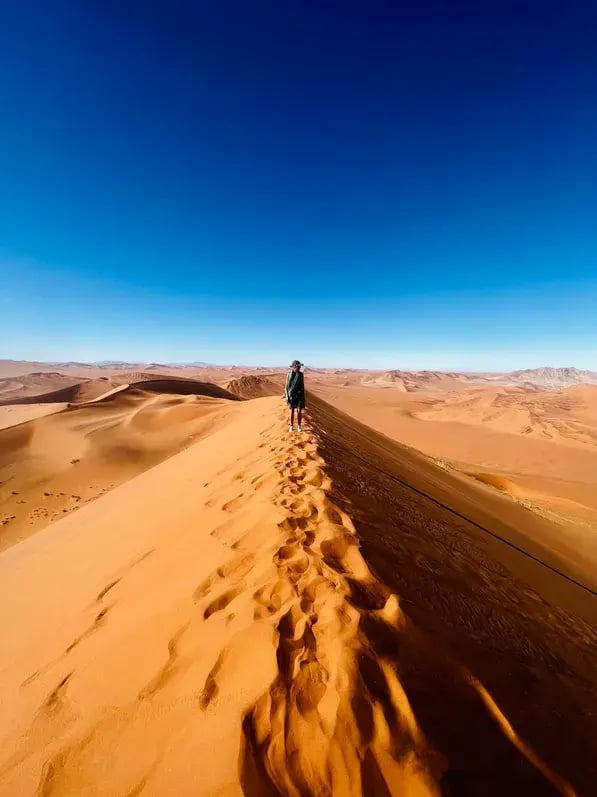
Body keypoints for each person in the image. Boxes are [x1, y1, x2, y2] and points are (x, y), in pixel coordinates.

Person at [285, 359, 305, 432]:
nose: (299, 368)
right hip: (291, 396)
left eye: (299, 367)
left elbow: (302, 385)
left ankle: (299, 426)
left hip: (299, 395)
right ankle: (291, 426)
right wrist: (287, 397)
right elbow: (286, 387)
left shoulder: (301, 374)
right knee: (292, 411)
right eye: (297, 367)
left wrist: (302, 396)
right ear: (293, 367)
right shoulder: (288, 375)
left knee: (299, 411)